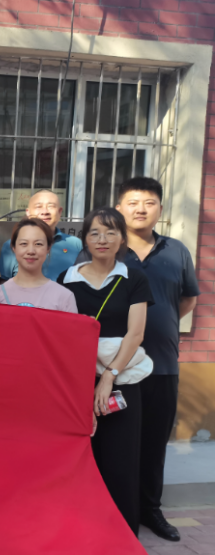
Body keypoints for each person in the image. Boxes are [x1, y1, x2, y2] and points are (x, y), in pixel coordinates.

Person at [57, 207, 154, 536]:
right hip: (76, 382)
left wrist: (109, 376)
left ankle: (122, 534)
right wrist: (87, 382)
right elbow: (61, 334)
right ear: (84, 239)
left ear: (122, 239)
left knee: (120, 460)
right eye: (95, 232)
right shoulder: (66, 280)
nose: (103, 239)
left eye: (111, 232)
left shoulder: (134, 279)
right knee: (82, 458)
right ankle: (84, 531)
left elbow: (136, 334)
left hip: (121, 379)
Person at [116, 178, 199, 542]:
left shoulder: (176, 250)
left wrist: (159, 323)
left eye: (149, 203)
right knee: (118, 443)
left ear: (160, 210)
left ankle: (150, 508)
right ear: (119, 208)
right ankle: (117, 509)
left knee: (153, 444)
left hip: (163, 365)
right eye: (133, 202)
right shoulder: (107, 249)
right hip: (117, 369)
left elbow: (187, 299)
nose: (140, 209)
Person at [0, 218, 77, 312]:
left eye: (38, 244)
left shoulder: (64, 297)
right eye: (24, 243)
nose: (31, 251)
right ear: (14, 248)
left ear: (48, 248)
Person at [0, 189, 82, 281]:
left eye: (51, 206)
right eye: (38, 206)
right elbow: (4, 281)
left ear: (59, 212)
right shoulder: (12, 245)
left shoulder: (75, 244)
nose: (45, 212)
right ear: (28, 212)